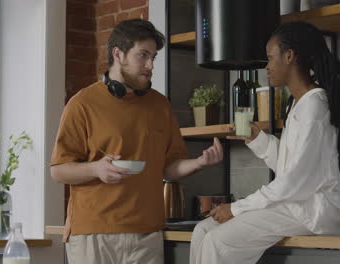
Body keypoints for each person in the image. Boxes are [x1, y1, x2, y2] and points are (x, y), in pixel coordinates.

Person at [190, 21, 340, 264]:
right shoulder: (298, 104)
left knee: (219, 241)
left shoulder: (314, 106)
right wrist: (257, 138)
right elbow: (290, 168)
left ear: (290, 56)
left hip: (316, 212)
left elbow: (294, 181)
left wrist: (236, 208)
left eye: (271, 58)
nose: (267, 66)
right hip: (298, 205)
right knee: (203, 230)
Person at [50, 19, 223, 264]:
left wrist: (197, 163)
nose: (150, 64)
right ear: (118, 54)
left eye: (153, 57)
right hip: (93, 234)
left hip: (147, 235)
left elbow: (168, 167)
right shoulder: (82, 104)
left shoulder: (160, 105)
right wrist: (96, 168)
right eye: (143, 55)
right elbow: (58, 171)